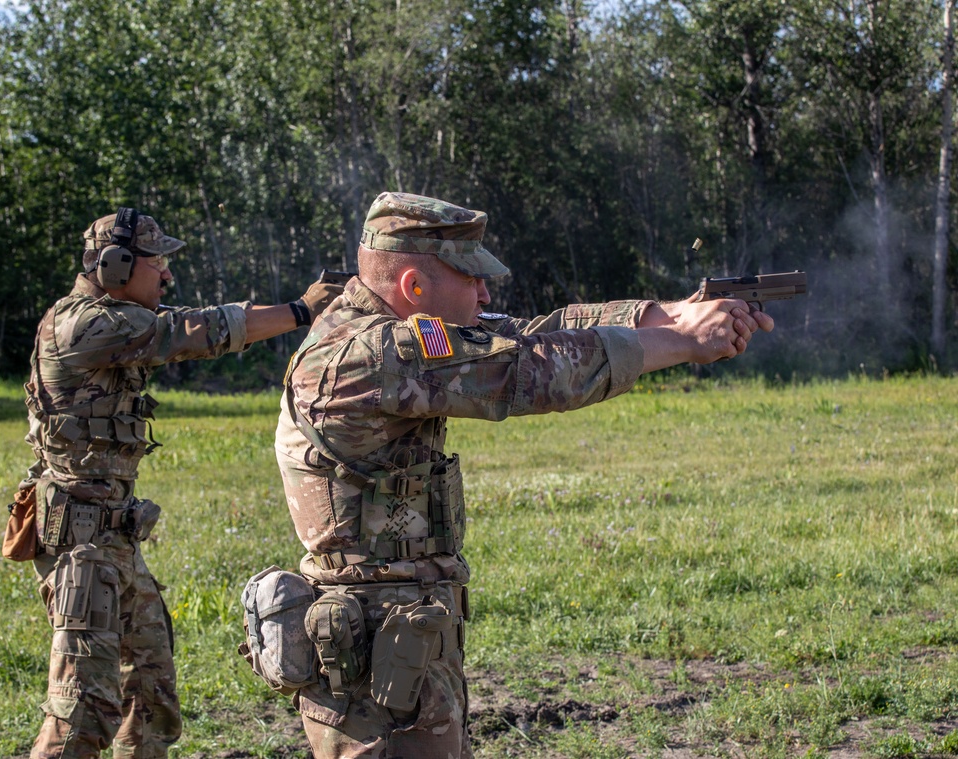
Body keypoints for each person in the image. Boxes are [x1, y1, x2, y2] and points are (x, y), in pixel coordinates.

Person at [273, 192, 774, 758]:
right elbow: (531, 367)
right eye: (472, 279)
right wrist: (685, 342)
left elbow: (529, 330)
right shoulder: (375, 353)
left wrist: (674, 313)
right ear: (414, 286)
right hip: (374, 646)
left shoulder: (378, 325)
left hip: (397, 627)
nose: (486, 293)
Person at [21, 207, 341, 759]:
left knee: (151, 696)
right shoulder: (84, 325)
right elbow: (192, 330)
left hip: (114, 539)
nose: (167, 275)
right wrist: (300, 310)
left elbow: (189, 318)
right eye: (157, 263)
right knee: (83, 712)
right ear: (117, 266)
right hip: (81, 545)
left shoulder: (118, 314)